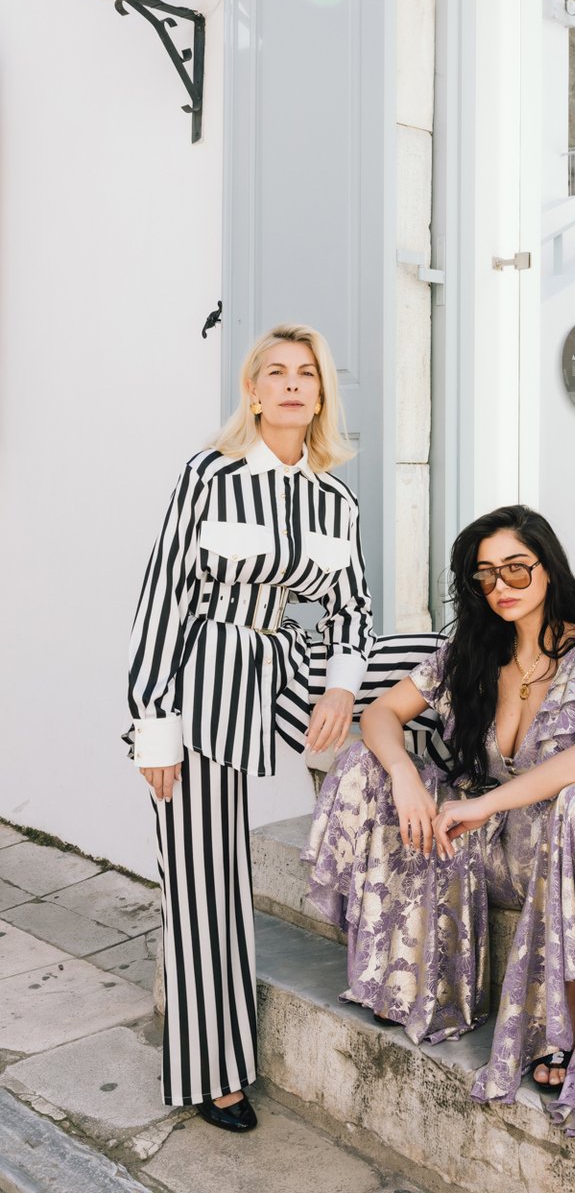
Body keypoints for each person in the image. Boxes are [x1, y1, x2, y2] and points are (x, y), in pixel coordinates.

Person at [303, 506, 575, 1137]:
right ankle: (400, 972)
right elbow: (379, 715)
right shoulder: (472, 650)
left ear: (548, 568)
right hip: (482, 849)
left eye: (516, 569)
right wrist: (404, 775)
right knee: (366, 763)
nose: (501, 585)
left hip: (565, 852)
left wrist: (483, 804)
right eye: (486, 575)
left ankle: (562, 1024)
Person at [127, 324, 374, 1131]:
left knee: (425, 661)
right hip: (204, 673)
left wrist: (342, 686)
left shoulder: (335, 499)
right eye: (277, 372)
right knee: (204, 876)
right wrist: (153, 724)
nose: (293, 384)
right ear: (254, 390)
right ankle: (215, 1070)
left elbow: (353, 609)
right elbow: (164, 597)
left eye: (307, 373)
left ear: (321, 393)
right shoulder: (211, 474)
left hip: (284, 663)